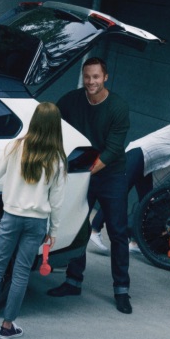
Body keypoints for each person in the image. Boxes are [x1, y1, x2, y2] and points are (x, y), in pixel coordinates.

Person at [0, 102, 66, 339]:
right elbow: (57, 201)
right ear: (55, 126)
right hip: (37, 222)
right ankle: (7, 327)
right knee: (21, 273)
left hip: (11, 217)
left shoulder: (15, 147)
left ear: (34, 122)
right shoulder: (58, 159)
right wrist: (53, 231)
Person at [47, 57, 134, 314]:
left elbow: (112, 150)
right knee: (78, 226)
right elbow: (52, 127)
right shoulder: (71, 100)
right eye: (87, 77)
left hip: (111, 174)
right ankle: (73, 281)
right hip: (81, 172)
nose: (91, 81)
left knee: (117, 231)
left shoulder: (118, 107)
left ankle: (121, 290)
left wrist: (80, 172)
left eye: (96, 77)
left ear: (105, 77)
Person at [89, 104, 170, 253]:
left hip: (145, 164)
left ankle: (134, 241)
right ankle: (95, 229)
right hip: (138, 156)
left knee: (148, 203)